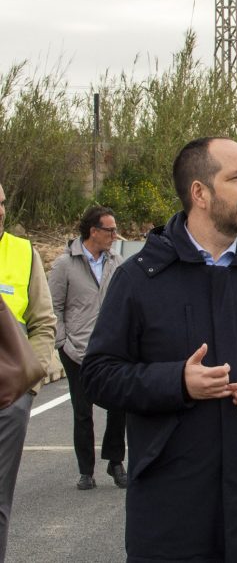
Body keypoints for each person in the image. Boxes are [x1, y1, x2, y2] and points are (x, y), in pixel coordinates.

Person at [82, 137, 237, 561]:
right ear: (199, 192)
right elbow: (99, 375)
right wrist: (176, 381)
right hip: (172, 510)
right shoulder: (141, 278)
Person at [49, 205, 127, 490]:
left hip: (109, 351)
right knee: (82, 412)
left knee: (119, 406)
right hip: (75, 351)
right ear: (93, 231)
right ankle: (86, 471)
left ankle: (115, 463)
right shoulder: (64, 265)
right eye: (110, 230)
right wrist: (62, 343)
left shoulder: (117, 263)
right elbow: (53, 307)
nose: (115, 235)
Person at [0, 182, 59, 561]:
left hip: (7, 401)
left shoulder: (23, 252)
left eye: (2, 203)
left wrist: (28, 385)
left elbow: (44, 322)